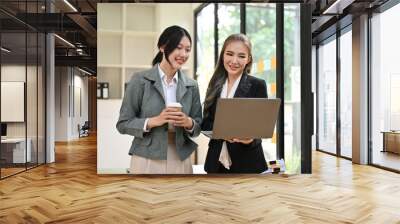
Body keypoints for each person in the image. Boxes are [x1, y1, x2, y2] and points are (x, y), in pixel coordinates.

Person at [116, 25, 202, 174]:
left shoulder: (192, 85)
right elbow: (123, 124)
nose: (183, 54)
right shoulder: (140, 80)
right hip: (146, 156)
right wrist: (153, 121)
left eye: (187, 49)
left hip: (181, 157)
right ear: (162, 47)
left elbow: (198, 126)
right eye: (178, 47)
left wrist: (189, 123)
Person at [201, 34, 268, 173]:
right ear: (223, 56)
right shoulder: (214, 84)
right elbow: (205, 123)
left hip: (248, 162)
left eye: (241, 56)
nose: (234, 61)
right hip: (215, 163)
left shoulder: (257, 85)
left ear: (248, 59)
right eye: (229, 54)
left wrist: (250, 139)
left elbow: (261, 127)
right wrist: (220, 132)